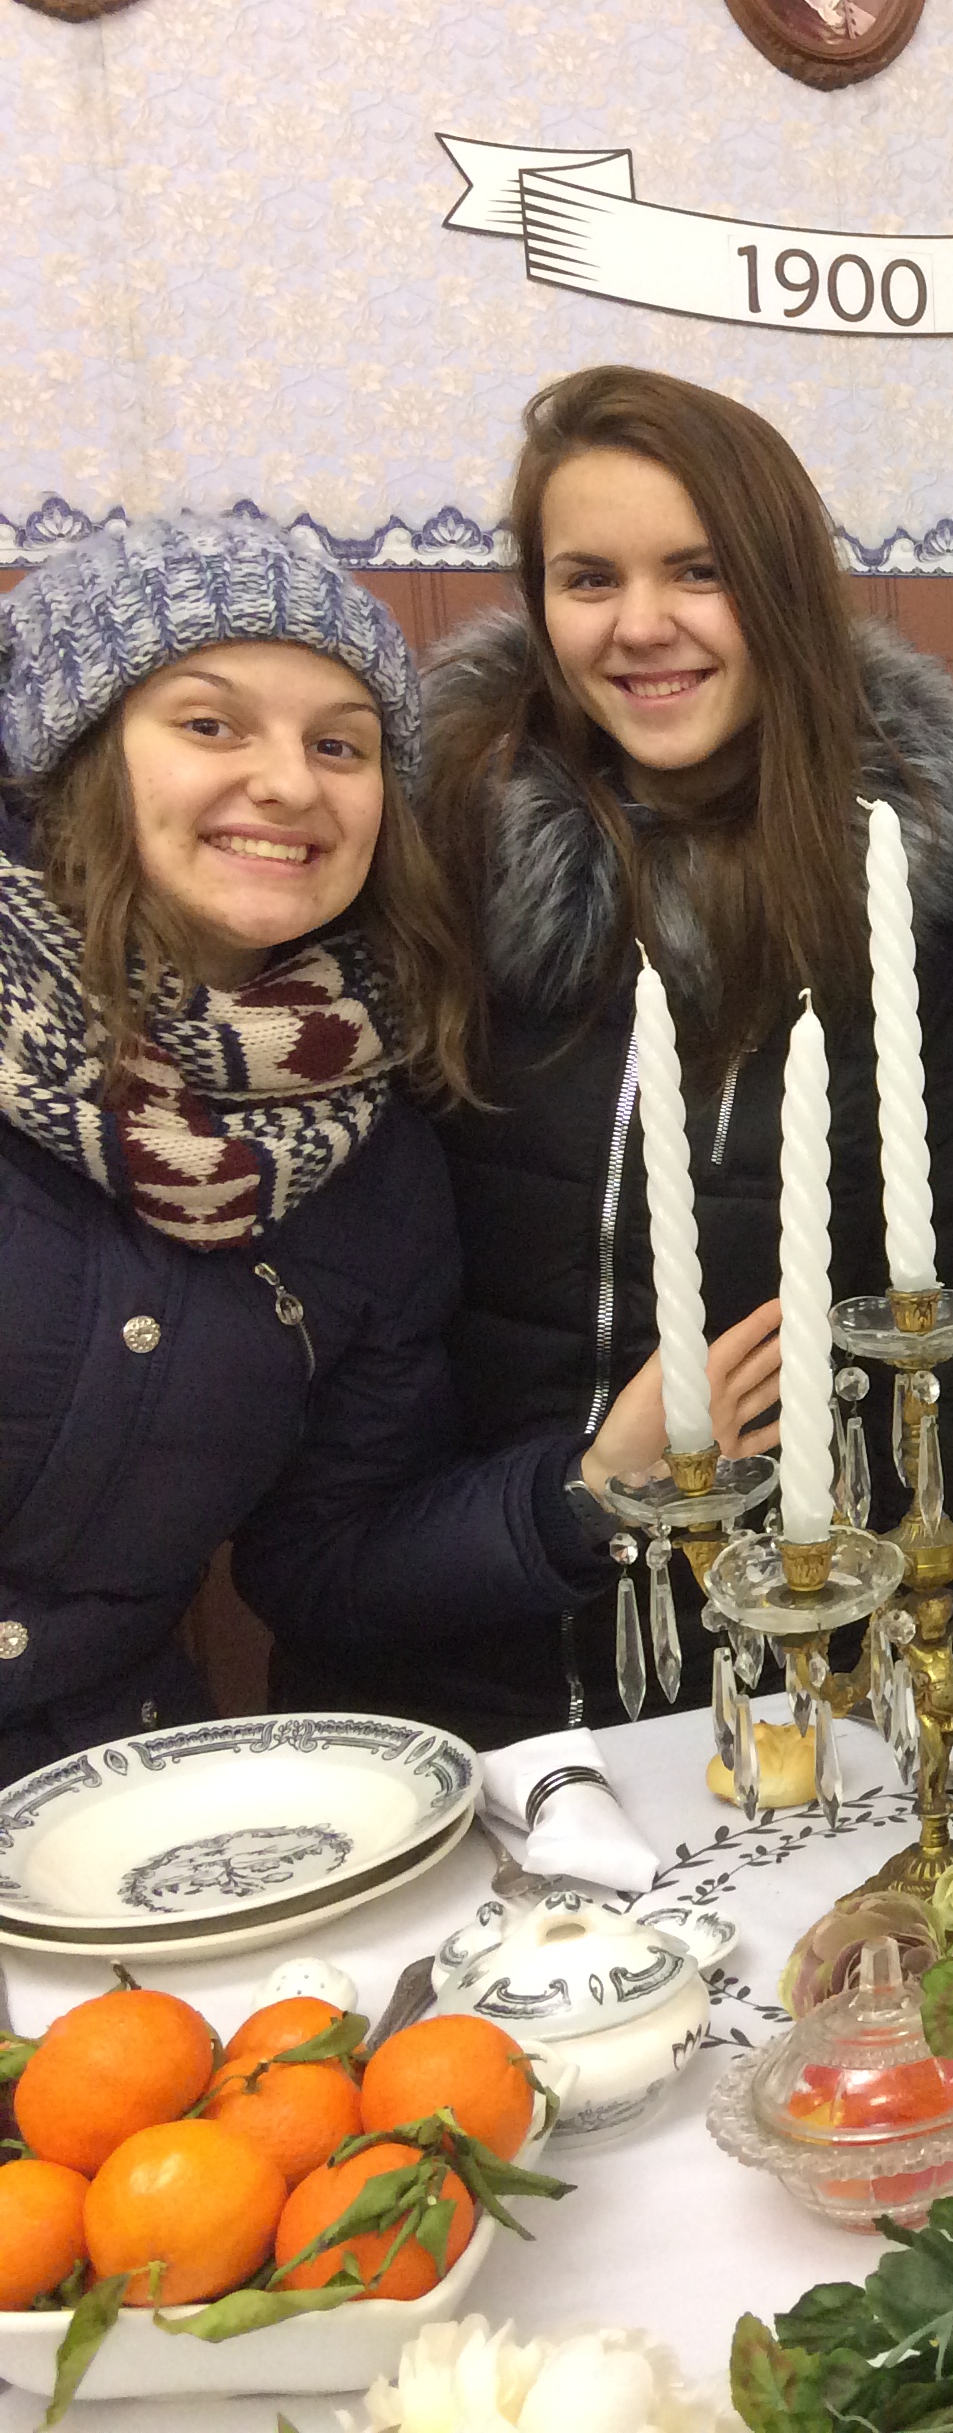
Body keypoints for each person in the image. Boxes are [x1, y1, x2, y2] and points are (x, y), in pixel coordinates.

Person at [0, 516, 773, 1782]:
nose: (289, 785)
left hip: (103, 1796)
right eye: (211, 724)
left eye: (339, 744)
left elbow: (326, 1555)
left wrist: (593, 1486)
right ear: (75, 754)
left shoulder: (361, 1137)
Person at [408, 365, 953, 1748]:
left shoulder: (939, 892)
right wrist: (577, 1494)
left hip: (820, 1686)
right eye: (588, 578)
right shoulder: (439, 859)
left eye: (699, 570)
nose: (641, 625)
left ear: (783, 588)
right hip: (487, 1675)